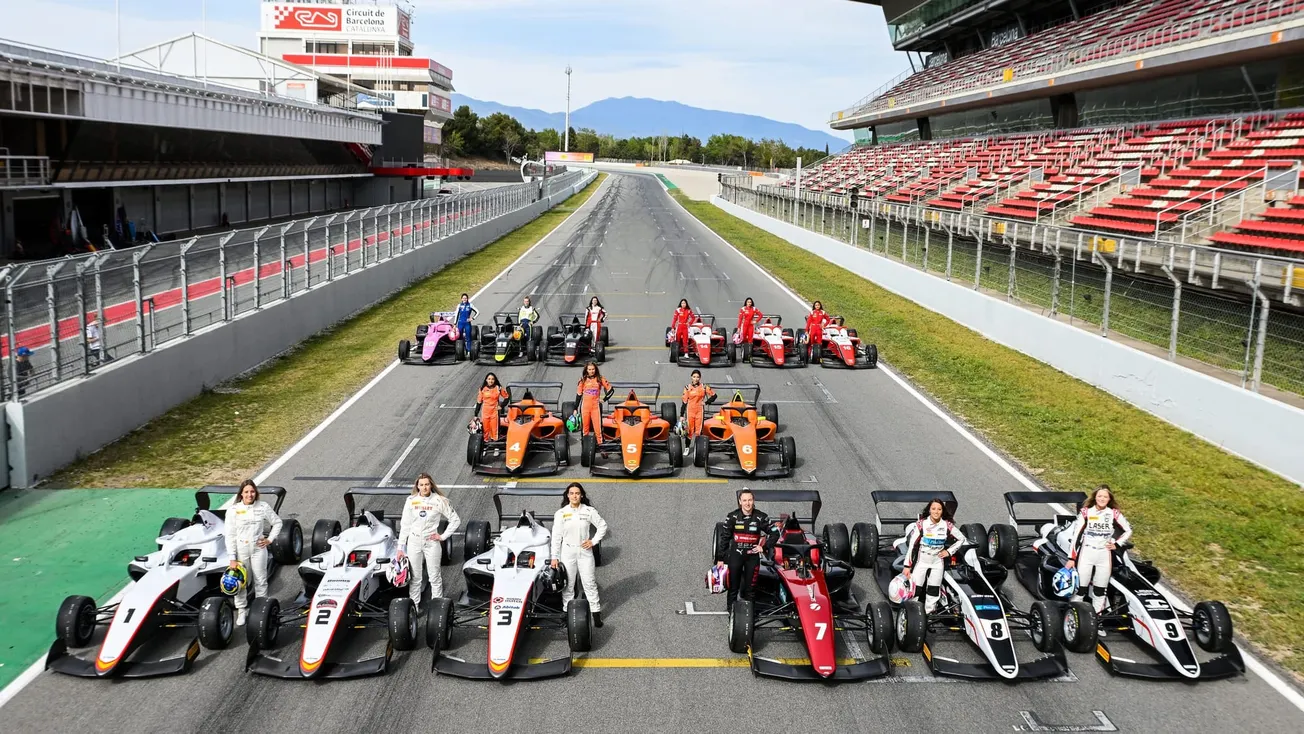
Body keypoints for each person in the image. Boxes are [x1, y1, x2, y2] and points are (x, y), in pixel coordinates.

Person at [397, 474, 461, 611]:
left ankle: (437, 609)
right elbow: (405, 525)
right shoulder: (411, 501)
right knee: (415, 578)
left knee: (435, 577)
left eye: (427, 484)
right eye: (421, 485)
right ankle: (413, 608)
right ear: (417, 486)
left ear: (431, 485)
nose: (424, 487)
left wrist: (443, 536)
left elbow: (455, 520)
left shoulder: (439, 500)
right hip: (414, 542)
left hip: (431, 543)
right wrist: (400, 547)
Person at [1065, 485, 1132, 614]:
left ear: (1109, 499)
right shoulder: (1086, 512)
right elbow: (1076, 536)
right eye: (1100, 496)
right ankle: (1072, 617)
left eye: (1105, 497)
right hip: (1086, 554)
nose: (1102, 499)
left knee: (1100, 592)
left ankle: (1097, 621)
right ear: (1095, 497)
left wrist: (1117, 544)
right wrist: (1071, 558)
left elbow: (1128, 530)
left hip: (1104, 555)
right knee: (1080, 589)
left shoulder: (1114, 513)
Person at [225, 480, 283, 626]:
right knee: (240, 582)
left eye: (252, 492)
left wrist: (269, 539)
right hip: (241, 550)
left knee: (261, 580)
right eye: (246, 492)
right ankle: (242, 611)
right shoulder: (233, 510)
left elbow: (277, 522)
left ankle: (260, 610)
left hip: (259, 548)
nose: (249, 495)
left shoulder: (263, 507)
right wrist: (232, 558)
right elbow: (230, 535)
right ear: (241, 494)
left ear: (256, 493)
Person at [551, 482, 609, 627]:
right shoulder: (561, 513)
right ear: (567, 495)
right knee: (568, 585)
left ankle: (596, 614)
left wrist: (593, 541)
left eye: (577, 493)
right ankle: (566, 615)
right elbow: (556, 537)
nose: (574, 496)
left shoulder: (589, 511)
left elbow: (602, 526)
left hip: (585, 552)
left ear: (581, 495)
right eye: (571, 493)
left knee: (589, 583)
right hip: (567, 552)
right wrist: (554, 557)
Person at [901, 498, 967, 614]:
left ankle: (929, 614)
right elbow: (912, 546)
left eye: (939, 509)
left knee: (933, 589)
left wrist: (949, 551)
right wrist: (907, 566)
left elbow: (961, 539)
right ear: (929, 510)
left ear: (942, 511)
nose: (936, 512)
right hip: (922, 560)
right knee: (916, 588)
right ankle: (912, 613)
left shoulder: (947, 525)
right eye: (933, 509)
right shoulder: (921, 524)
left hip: (937, 561)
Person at [714, 488, 772, 611]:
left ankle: (748, 615)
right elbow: (724, 538)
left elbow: (775, 534)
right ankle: (732, 614)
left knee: (750, 589)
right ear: (740, 502)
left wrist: (764, 547)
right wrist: (720, 559)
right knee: (733, 587)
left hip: (752, 557)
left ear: (753, 500)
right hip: (735, 557)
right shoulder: (732, 517)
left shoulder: (760, 517)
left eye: (750, 500)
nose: (747, 503)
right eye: (744, 500)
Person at [681, 369, 716, 449]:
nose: (696, 379)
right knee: (689, 431)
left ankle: (698, 448)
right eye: (694, 377)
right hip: (690, 411)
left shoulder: (704, 387)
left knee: (698, 431)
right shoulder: (687, 388)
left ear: (700, 378)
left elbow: (714, 396)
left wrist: (706, 402)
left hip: (700, 411)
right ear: (691, 377)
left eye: (697, 377)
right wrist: (681, 415)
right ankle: (687, 447)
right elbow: (684, 402)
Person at [575, 361, 613, 436]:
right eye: (589, 369)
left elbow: (611, 390)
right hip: (585, 407)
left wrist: (604, 399)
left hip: (595, 407)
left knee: (598, 430)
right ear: (586, 370)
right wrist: (575, 408)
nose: (591, 371)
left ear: (595, 369)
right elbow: (578, 395)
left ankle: (600, 445)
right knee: (585, 430)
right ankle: (585, 446)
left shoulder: (600, 378)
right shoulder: (582, 380)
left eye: (593, 369)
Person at [476, 373, 509, 441]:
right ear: (486, 380)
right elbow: (479, 402)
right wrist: (476, 414)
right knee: (485, 429)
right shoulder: (482, 389)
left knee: (494, 429)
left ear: (495, 380)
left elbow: (507, 397)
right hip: (485, 411)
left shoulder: (498, 388)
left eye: (492, 379)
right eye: (489, 379)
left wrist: (501, 406)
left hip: (494, 411)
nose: (491, 381)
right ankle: (485, 442)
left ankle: (495, 442)